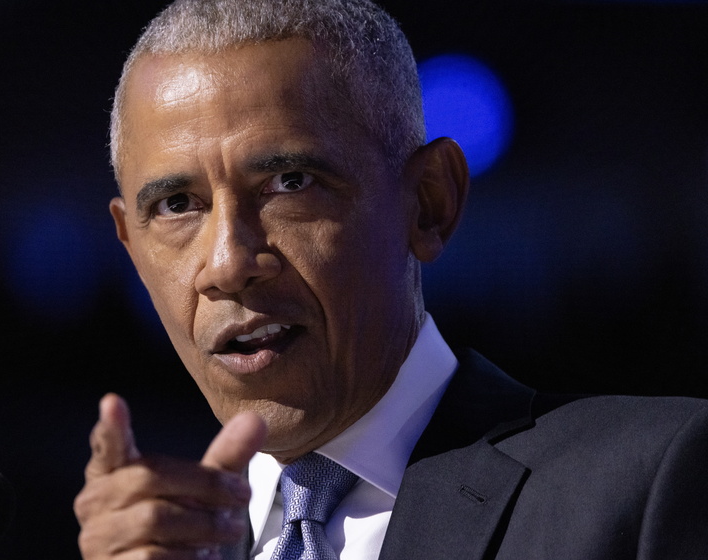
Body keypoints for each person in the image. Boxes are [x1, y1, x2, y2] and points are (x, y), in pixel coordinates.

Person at [73, 0, 708, 558]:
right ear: (130, 244)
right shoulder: (159, 543)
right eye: (178, 205)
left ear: (430, 203)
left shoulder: (652, 481)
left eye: (290, 184)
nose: (228, 263)